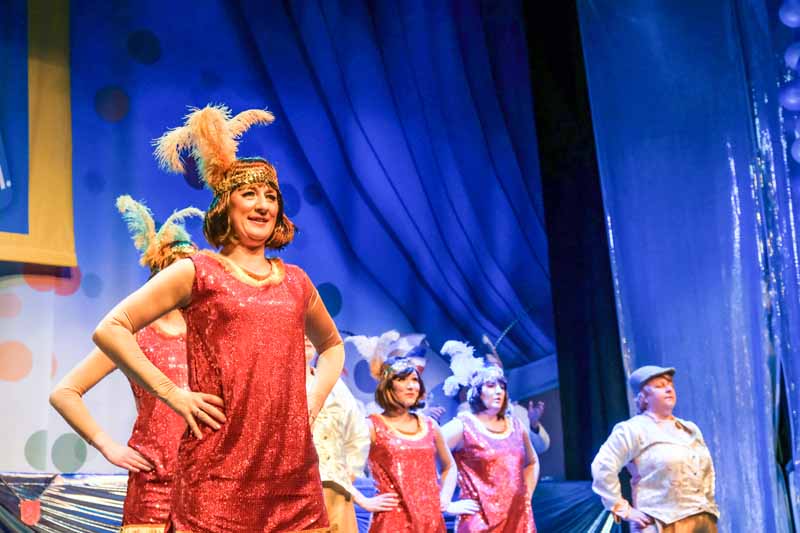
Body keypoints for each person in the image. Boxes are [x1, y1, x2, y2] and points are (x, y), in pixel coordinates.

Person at [93, 104, 345, 532]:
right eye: (250, 195)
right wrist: (172, 394)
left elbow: (333, 346)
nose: (262, 205)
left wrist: (312, 400)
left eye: (271, 197)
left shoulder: (297, 282)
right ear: (226, 206)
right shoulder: (199, 271)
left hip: (293, 480)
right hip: (217, 480)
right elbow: (111, 329)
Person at [50, 195, 203, 532]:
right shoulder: (133, 336)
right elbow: (65, 392)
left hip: (206, 484)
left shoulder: (211, 336)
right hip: (153, 485)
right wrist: (106, 445)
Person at [591, 365, 719, 532]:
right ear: (644, 397)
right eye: (660, 386)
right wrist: (623, 509)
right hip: (662, 522)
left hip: (702, 520)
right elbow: (602, 466)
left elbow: (705, 472)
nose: (668, 389)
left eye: (670, 385)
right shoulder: (633, 430)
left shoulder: (689, 429)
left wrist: (708, 506)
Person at [356, 355, 464, 532]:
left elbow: (449, 466)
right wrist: (363, 501)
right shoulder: (371, 426)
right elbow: (337, 468)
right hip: (392, 524)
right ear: (387, 386)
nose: (411, 386)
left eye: (414, 380)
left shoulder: (430, 425)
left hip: (431, 523)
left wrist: (445, 498)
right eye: (402, 380)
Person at [442, 365, 538, 533]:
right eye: (491, 385)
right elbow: (422, 454)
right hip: (481, 522)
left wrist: (526, 495)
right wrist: (445, 503)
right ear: (477, 392)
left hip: (518, 519)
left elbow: (532, 462)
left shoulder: (516, 426)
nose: (499, 391)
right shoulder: (462, 426)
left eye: (502, 386)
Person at [305, 337, 370, 533]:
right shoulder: (273, 384)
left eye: (311, 332)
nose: (307, 337)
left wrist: (348, 475)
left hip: (336, 490)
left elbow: (358, 432)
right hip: (294, 492)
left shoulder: (335, 385)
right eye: (299, 331)